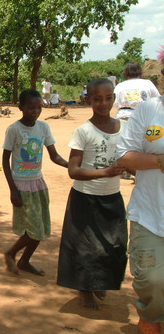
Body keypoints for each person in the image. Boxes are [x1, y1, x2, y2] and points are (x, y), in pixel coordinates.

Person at [57, 78, 128, 310]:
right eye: (97, 99)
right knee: (87, 247)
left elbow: (130, 160)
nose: (103, 103)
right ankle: (85, 289)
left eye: (108, 98)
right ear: (89, 100)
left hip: (112, 197)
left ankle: (101, 283)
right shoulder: (83, 131)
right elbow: (73, 171)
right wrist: (105, 172)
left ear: (114, 99)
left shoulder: (123, 129)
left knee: (115, 244)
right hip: (85, 199)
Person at [3, 89, 68, 277]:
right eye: (31, 107)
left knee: (40, 226)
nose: (35, 111)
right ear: (20, 107)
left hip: (38, 184)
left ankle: (24, 260)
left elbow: (54, 156)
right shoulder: (14, 129)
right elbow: (5, 161)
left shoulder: (43, 128)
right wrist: (12, 189)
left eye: (39, 107)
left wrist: (71, 165)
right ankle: (12, 253)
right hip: (21, 185)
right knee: (34, 229)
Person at [116, 94, 164, 334]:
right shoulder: (148, 111)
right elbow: (124, 155)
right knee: (152, 281)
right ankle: (150, 319)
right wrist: (160, 161)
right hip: (149, 215)